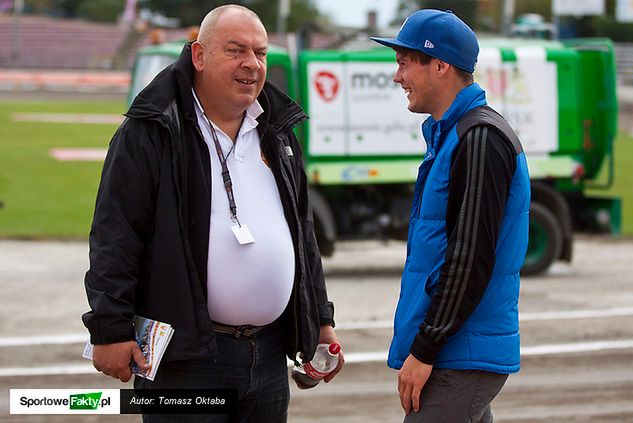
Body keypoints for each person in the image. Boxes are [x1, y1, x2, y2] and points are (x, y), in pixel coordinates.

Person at [82, 4, 343, 422]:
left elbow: (302, 235)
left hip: (269, 354)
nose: (251, 64)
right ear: (199, 56)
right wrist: (110, 329)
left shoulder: (278, 133)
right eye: (236, 51)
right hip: (187, 360)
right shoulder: (152, 131)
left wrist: (320, 321)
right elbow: (116, 237)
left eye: (260, 53)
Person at [371, 9, 530, 423]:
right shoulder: (453, 135)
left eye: (405, 63)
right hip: (457, 349)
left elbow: (469, 257)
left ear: (439, 66)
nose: (397, 76)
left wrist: (425, 348)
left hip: (458, 353)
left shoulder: (479, 139)